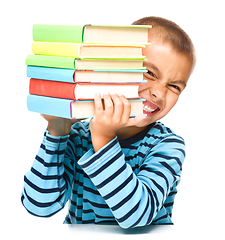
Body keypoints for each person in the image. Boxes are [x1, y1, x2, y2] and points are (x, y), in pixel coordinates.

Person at [21, 16, 196, 229]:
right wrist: (57, 130)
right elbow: (39, 205)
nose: (159, 93)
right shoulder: (78, 136)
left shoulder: (167, 145)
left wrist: (104, 138)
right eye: (149, 73)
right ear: (115, 66)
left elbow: (137, 216)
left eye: (175, 87)